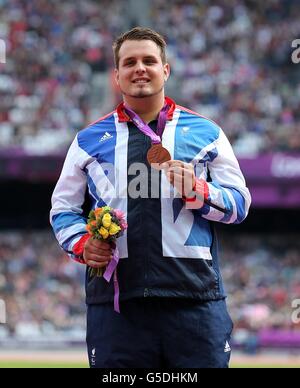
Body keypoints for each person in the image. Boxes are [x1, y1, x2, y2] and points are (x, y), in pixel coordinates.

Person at [50, 27, 251, 368]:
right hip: (117, 308)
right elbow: (63, 209)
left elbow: (239, 205)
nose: (139, 68)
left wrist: (199, 192)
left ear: (165, 70)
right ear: (116, 75)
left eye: (149, 60)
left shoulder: (208, 132)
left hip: (195, 303)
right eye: (129, 62)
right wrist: (83, 243)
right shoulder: (87, 139)